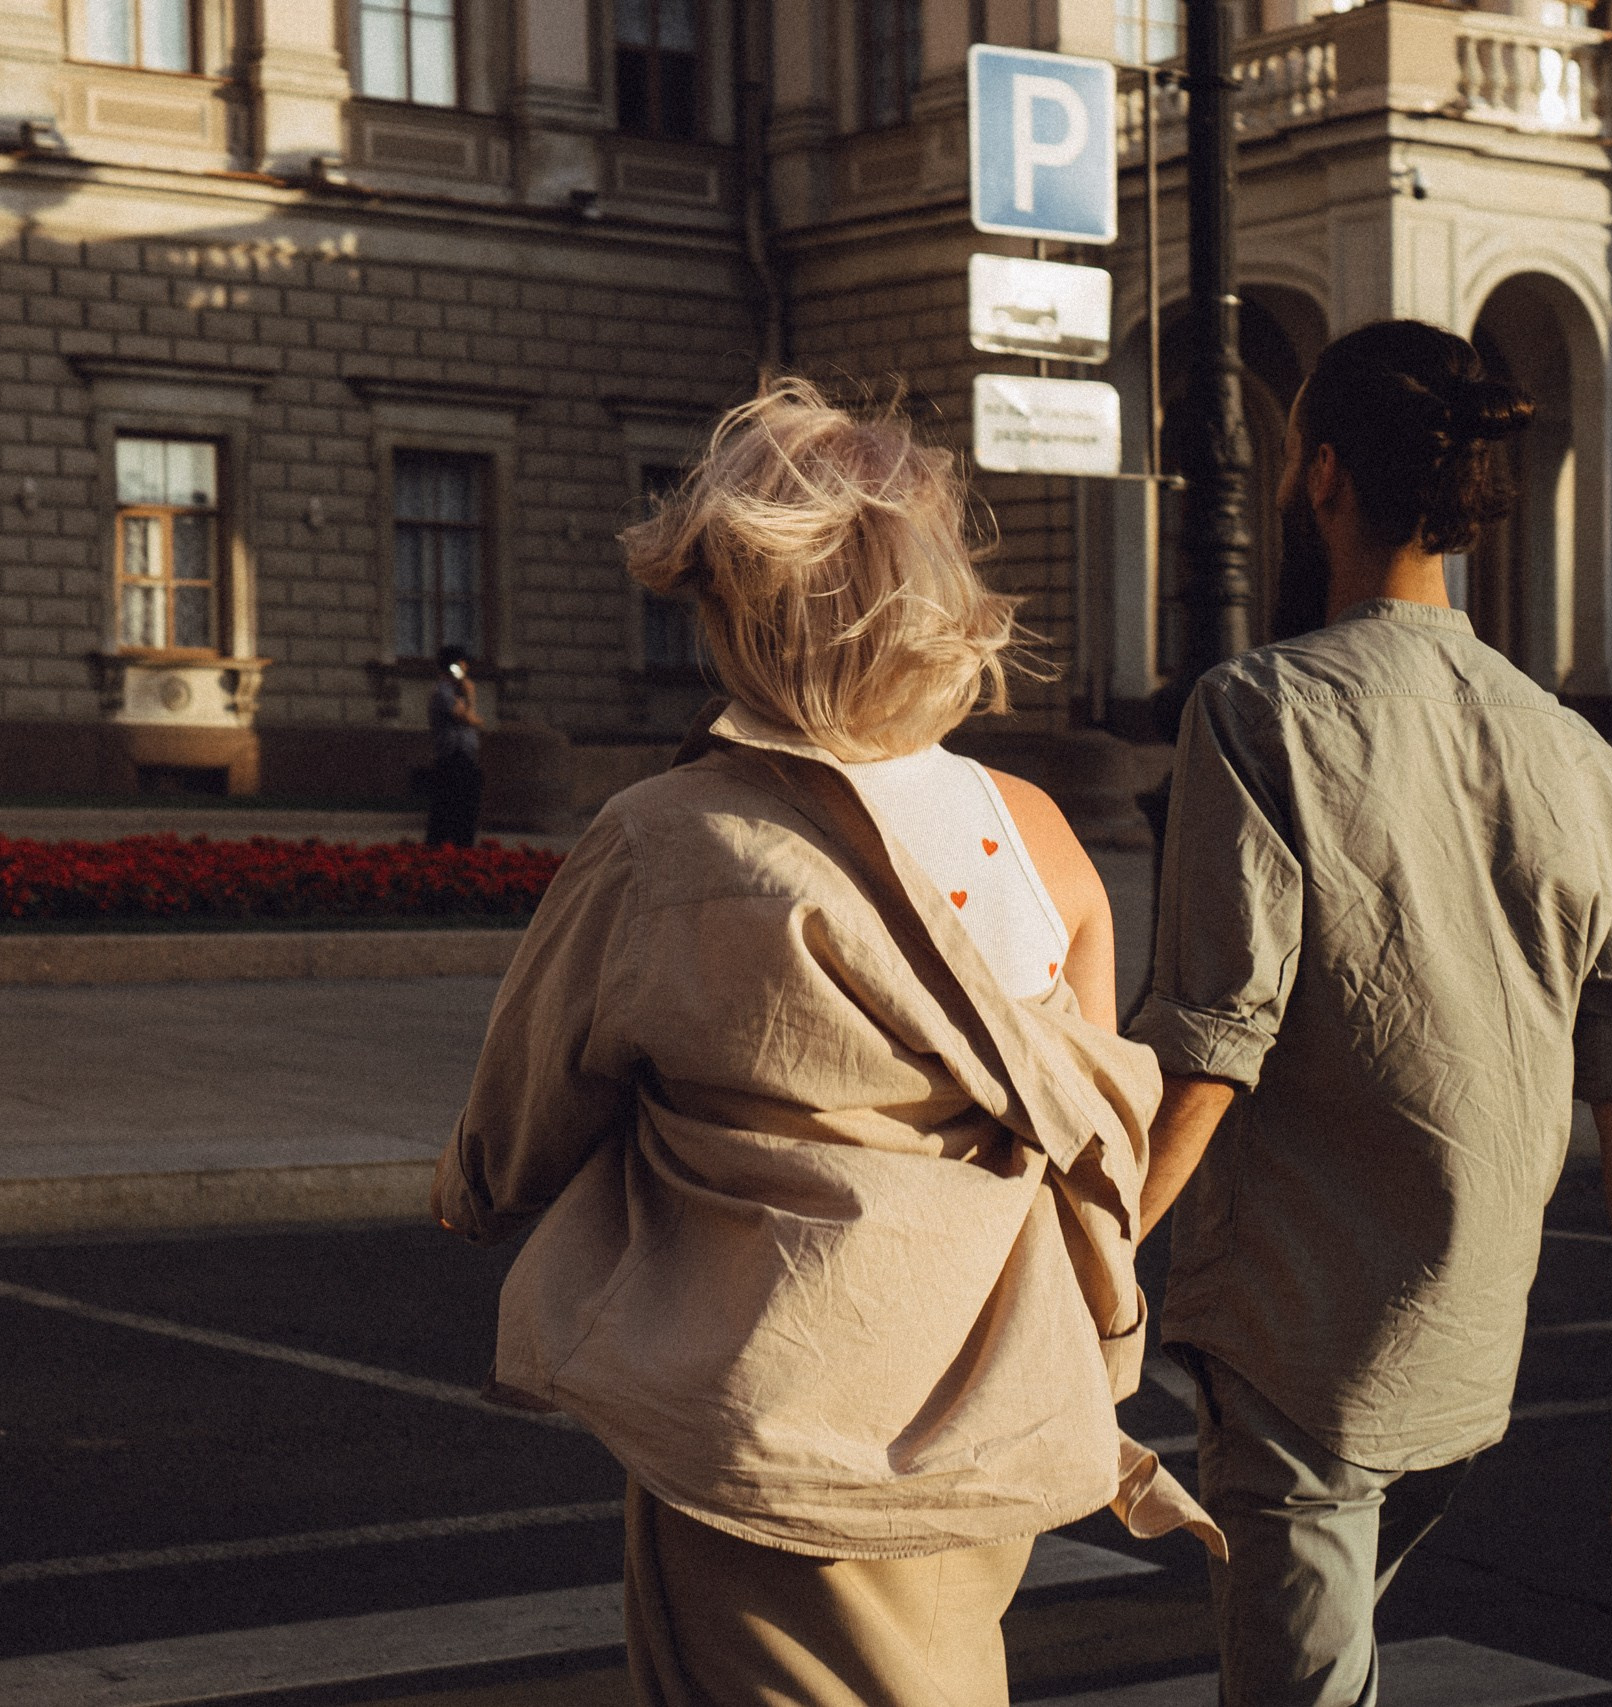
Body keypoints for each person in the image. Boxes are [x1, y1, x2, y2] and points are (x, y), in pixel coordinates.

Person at [430, 379, 1216, 1707]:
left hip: (770, 1423)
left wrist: (474, 1198)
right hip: (991, 1415)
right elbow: (1080, 1145)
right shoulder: (1040, 833)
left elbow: (515, 1131)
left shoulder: (663, 835)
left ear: (736, 613)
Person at [1127, 320, 1612, 1707]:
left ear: (1322, 474)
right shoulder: (1577, 755)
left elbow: (1213, 1042)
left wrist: (1071, 1266)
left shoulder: (1260, 711)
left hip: (1301, 1350)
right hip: (1465, 1359)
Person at [424, 644, 484, 847]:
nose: (465, 668)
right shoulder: (443, 691)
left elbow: (474, 719)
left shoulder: (455, 692)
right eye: (461, 664)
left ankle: (459, 848)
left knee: (464, 812)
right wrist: (471, 696)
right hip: (452, 757)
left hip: (464, 757)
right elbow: (467, 718)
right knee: (449, 811)